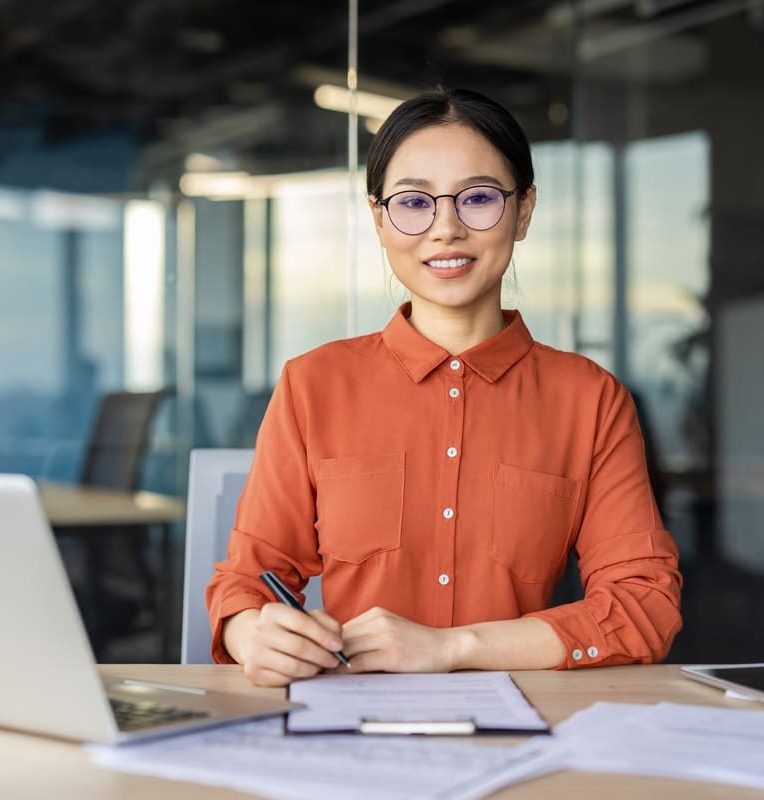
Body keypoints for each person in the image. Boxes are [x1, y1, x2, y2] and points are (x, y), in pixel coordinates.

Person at [205, 87, 682, 687]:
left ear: (524, 210)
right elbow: (245, 583)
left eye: (479, 198)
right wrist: (253, 633)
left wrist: (453, 647)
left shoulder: (590, 399)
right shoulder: (312, 385)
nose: (446, 229)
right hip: (347, 721)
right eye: (413, 203)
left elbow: (644, 605)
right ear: (380, 220)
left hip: (527, 719)